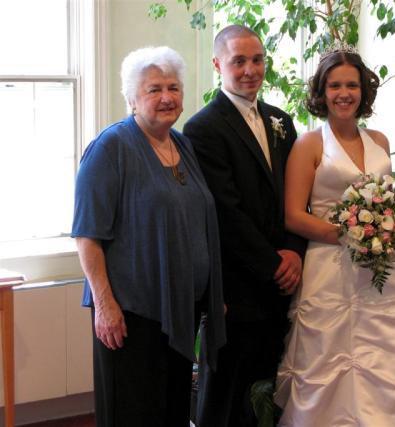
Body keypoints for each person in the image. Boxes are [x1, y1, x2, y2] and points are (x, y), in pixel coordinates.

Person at [273, 46, 395, 426]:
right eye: (334, 85)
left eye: (351, 85)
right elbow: (292, 215)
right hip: (330, 270)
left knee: (394, 362)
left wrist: (381, 233)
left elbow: (387, 202)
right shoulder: (309, 145)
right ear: (321, 92)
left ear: (363, 91)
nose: (344, 93)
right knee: (331, 369)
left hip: (385, 269)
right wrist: (350, 235)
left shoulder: (380, 141)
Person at [71, 46, 225, 427]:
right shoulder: (111, 148)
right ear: (131, 98)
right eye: (154, 89)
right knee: (133, 411)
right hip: (131, 314)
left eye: (173, 87)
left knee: (171, 411)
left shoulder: (182, 145)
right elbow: (87, 235)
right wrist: (105, 306)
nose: (167, 97)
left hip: (179, 308)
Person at [183, 25, 305, 427]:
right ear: (219, 64)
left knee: (271, 390)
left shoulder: (280, 120)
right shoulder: (203, 128)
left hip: (283, 281)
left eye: (257, 60)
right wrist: (273, 263)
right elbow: (225, 212)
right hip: (237, 285)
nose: (250, 69)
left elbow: (297, 194)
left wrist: (293, 252)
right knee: (228, 393)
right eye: (239, 61)